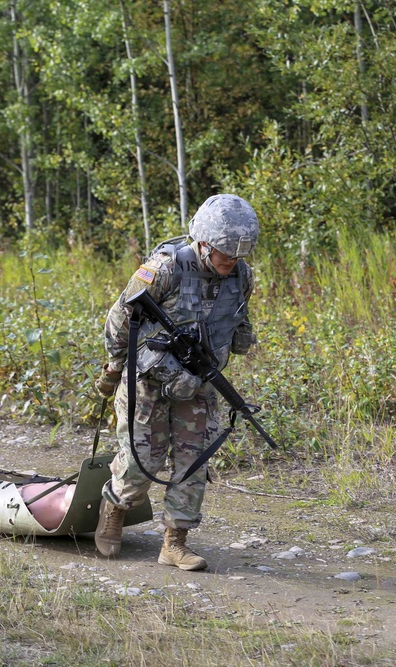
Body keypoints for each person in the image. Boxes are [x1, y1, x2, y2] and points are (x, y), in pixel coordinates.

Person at [93, 194, 260, 570]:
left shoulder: (241, 275)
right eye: (224, 252)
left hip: (198, 381)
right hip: (149, 380)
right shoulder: (165, 269)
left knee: (193, 460)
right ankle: (115, 506)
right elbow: (120, 318)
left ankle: (174, 541)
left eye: (237, 253)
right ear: (203, 243)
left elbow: (238, 318)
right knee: (141, 461)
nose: (230, 260)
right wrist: (117, 367)